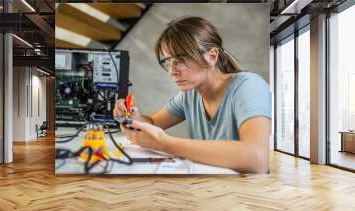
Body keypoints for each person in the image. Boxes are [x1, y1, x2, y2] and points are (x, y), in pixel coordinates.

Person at [113, 16, 271, 173]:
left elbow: (257, 158)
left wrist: (164, 143)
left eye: (180, 59)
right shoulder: (190, 96)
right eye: (168, 62)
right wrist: (133, 116)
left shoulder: (248, 86)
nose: (172, 71)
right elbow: (153, 122)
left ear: (212, 56)